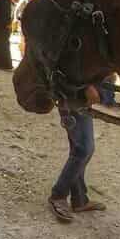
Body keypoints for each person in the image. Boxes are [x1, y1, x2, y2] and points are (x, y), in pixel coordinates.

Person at [49, 89, 105, 222]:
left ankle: (79, 199)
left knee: (82, 149)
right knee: (83, 150)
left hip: (80, 98)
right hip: (72, 95)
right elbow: (67, 74)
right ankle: (58, 195)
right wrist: (87, 87)